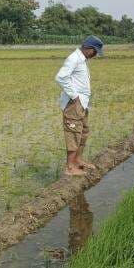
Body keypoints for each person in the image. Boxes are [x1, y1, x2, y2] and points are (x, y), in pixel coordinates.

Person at [55, 36, 103, 176]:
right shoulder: (74, 58)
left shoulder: (82, 59)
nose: (95, 55)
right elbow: (60, 77)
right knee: (73, 133)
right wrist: (74, 96)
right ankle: (70, 168)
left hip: (82, 103)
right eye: (95, 52)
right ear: (89, 48)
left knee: (83, 132)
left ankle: (78, 160)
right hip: (74, 104)